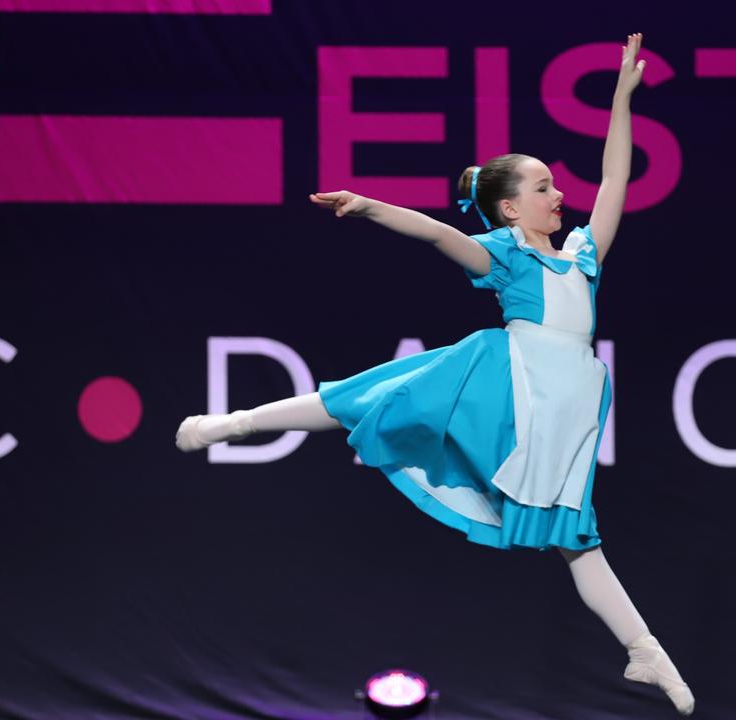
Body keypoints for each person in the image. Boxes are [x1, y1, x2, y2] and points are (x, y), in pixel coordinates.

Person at [175, 33, 694, 716]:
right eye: (543, 187)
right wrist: (368, 207)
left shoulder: (584, 256)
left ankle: (643, 648)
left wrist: (622, 99)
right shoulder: (508, 258)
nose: (559, 193)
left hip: (569, 400)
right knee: (371, 396)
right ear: (510, 209)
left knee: (574, 537)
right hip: (510, 384)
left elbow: (617, 178)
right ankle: (236, 422)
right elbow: (437, 234)